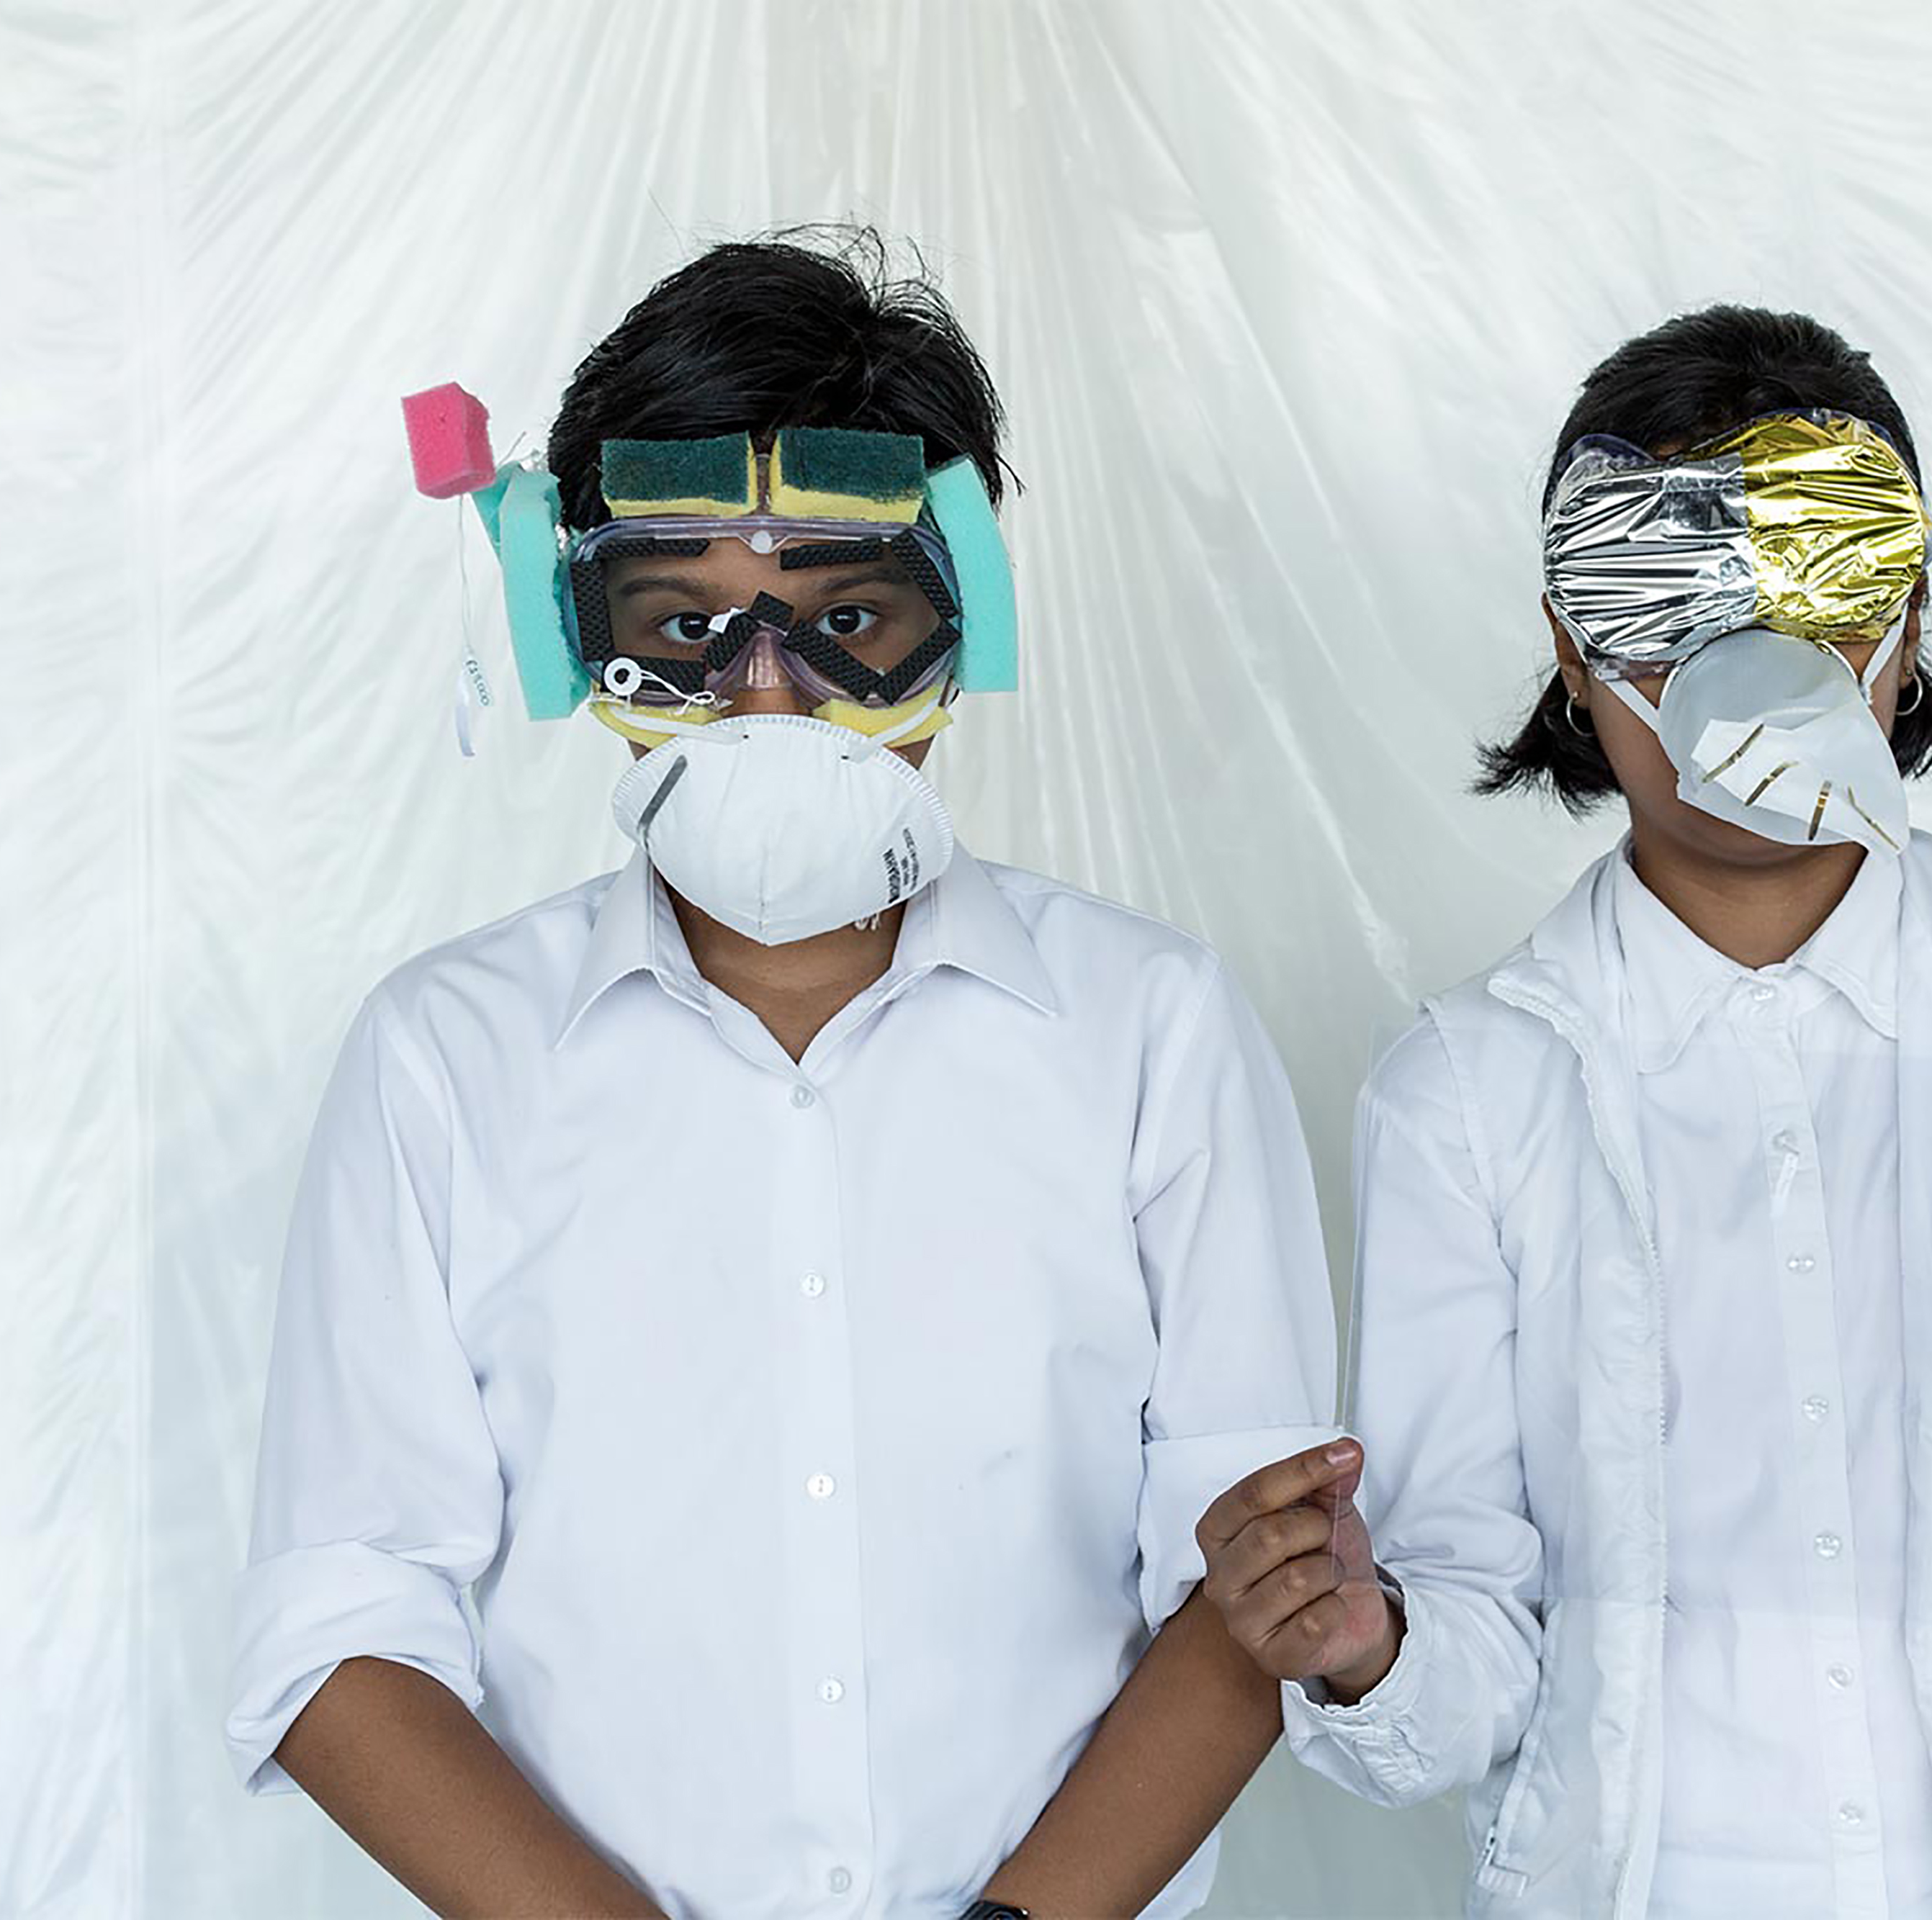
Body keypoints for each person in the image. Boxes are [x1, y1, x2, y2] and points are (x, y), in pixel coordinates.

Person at [226, 229, 1336, 1920]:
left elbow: (1252, 1590)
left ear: (962, 621)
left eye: (848, 618)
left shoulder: (1150, 1030)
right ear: (567, 634)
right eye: (680, 622)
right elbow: (343, 1619)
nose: (765, 692)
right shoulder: (443, 1057)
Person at [1197, 307, 1932, 1917]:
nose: (1739, 680)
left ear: (1905, 615)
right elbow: (1470, 1639)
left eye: (1807, 597)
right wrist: (1362, 1647)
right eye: (1661, 606)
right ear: (1566, 644)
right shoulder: (1468, 1092)